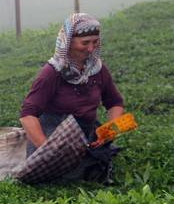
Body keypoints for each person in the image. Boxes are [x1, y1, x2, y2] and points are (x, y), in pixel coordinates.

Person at [19, 13, 125, 183]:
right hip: (55, 136)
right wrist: (47, 151)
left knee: (96, 161)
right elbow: (27, 115)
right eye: (84, 43)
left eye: (94, 42)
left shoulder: (97, 70)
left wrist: (109, 131)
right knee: (67, 173)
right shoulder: (52, 73)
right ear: (68, 42)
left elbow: (115, 103)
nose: (90, 49)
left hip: (86, 133)